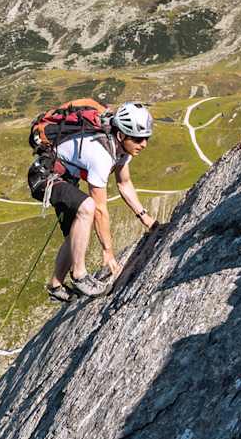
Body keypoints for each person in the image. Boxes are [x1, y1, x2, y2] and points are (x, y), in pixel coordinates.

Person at [46, 102, 158, 302]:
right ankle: (79, 276)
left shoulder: (121, 149)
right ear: (122, 135)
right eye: (139, 139)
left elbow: (124, 183)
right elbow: (100, 209)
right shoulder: (101, 155)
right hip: (45, 175)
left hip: (63, 176)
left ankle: (55, 287)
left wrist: (146, 219)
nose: (144, 144)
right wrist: (108, 252)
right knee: (87, 208)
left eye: (146, 138)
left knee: (76, 231)